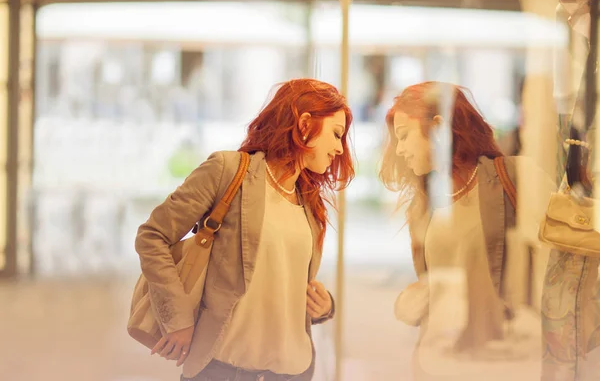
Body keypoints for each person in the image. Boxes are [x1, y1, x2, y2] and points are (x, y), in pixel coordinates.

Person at [135, 78, 355, 381]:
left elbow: (283, 281)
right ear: (305, 125)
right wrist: (178, 318)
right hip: (222, 369)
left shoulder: (310, 204)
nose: (338, 149)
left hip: (293, 370)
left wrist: (323, 306)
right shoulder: (227, 170)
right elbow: (153, 236)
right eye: (336, 134)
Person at [379, 81, 554, 380]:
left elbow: (564, 259)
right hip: (435, 362)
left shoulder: (514, 177)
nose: (401, 149)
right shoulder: (427, 203)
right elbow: (440, 282)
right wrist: (417, 298)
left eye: (405, 137)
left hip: (499, 361)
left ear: (438, 128)